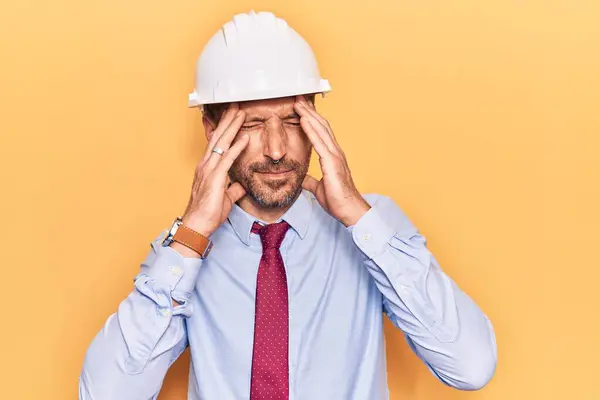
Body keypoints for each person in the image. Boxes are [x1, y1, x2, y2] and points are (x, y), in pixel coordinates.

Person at [79, 10, 497, 400]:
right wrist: (191, 239)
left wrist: (356, 215)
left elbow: (470, 366)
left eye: (294, 122)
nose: (277, 150)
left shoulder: (374, 227)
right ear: (212, 131)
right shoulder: (184, 249)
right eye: (253, 125)